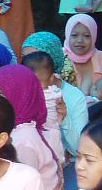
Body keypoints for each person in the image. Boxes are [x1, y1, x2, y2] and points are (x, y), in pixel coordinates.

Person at [19, 32, 88, 161]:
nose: (28, 65)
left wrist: (64, 119)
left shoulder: (74, 96)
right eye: (24, 58)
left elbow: (78, 148)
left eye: (35, 59)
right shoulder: (18, 91)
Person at [20, 51, 66, 165]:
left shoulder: (26, 96)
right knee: (56, 161)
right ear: (52, 78)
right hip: (53, 134)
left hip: (35, 135)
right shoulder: (56, 93)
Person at [63, 13, 102, 98]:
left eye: (86, 36)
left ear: (94, 36)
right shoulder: (59, 58)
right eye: (74, 35)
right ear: (67, 35)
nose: (80, 40)